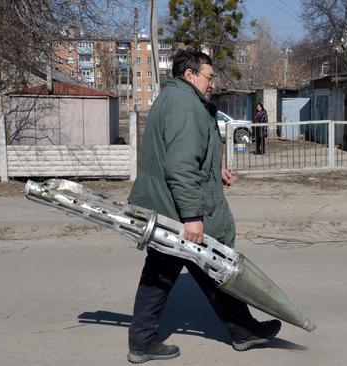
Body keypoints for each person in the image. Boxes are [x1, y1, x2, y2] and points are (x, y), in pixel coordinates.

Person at [126, 49, 281, 364]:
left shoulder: (174, 100)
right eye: (209, 77)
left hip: (165, 205)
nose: (213, 84)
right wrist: (193, 217)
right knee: (204, 268)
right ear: (190, 75)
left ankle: (242, 331)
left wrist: (214, 170)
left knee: (187, 271)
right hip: (177, 211)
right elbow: (180, 167)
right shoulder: (186, 107)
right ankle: (241, 332)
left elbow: (182, 154)